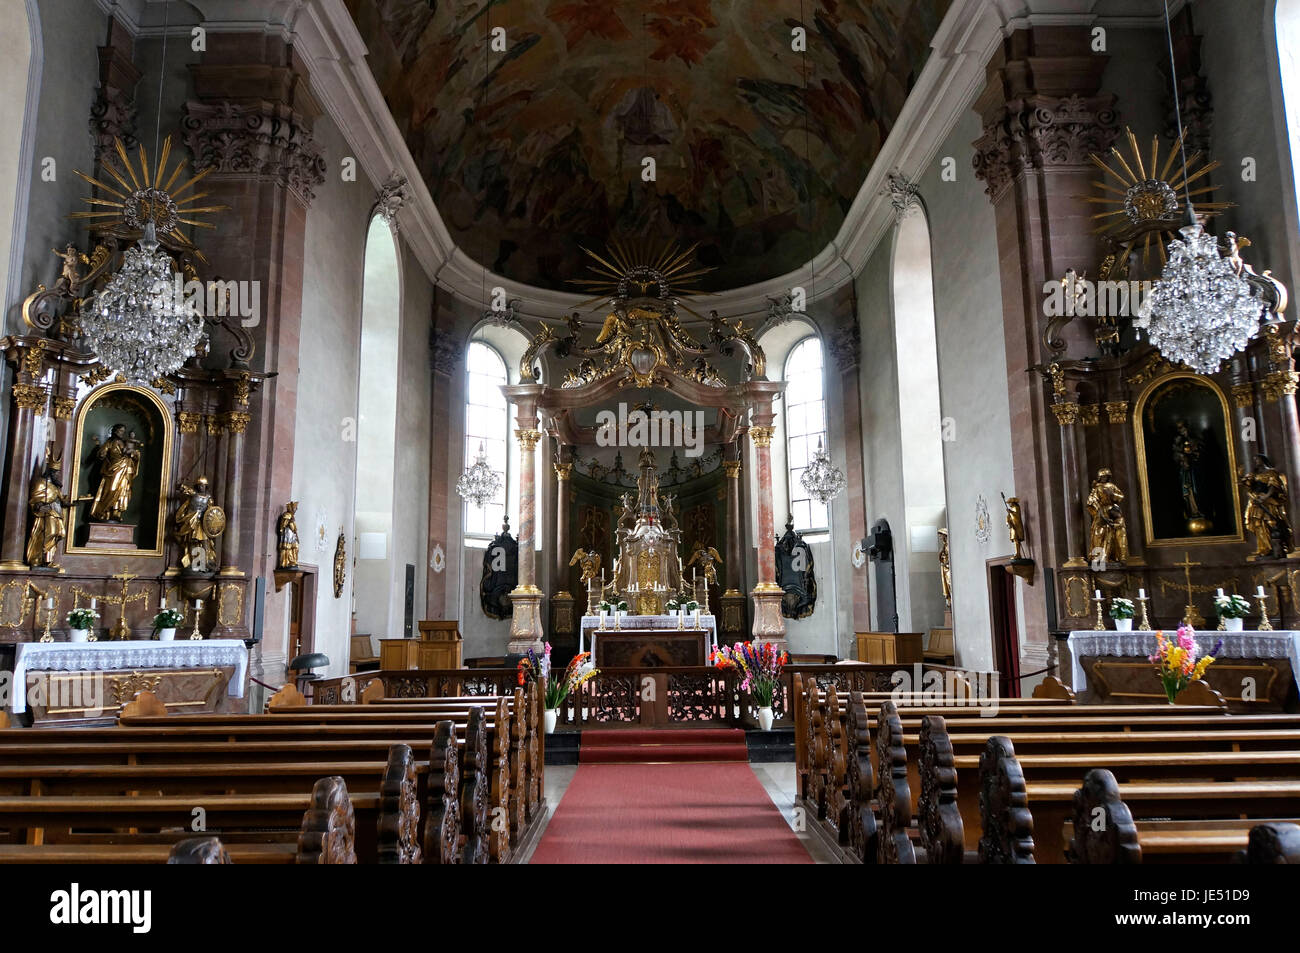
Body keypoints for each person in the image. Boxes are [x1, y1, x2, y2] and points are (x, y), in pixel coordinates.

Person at [88, 424, 141, 522]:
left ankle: (116, 513)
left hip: (125, 470)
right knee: (111, 490)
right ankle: (104, 513)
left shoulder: (126, 443)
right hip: (113, 470)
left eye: (123, 431)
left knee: (123, 491)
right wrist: (101, 453)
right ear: (115, 431)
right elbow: (101, 453)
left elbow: (134, 454)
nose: (122, 433)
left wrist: (134, 453)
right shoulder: (110, 442)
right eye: (120, 431)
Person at [1086, 468, 1129, 564]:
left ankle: (1116, 556)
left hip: (1112, 510)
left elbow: (1120, 496)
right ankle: (1099, 559)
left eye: (1106, 476)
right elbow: (1091, 501)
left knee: (1115, 533)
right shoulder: (1097, 488)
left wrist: (1112, 494)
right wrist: (1098, 509)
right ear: (1099, 477)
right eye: (1103, 476)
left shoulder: (1111, 486)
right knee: (1099, 533)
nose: (1104, 478)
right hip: (1101, 511)